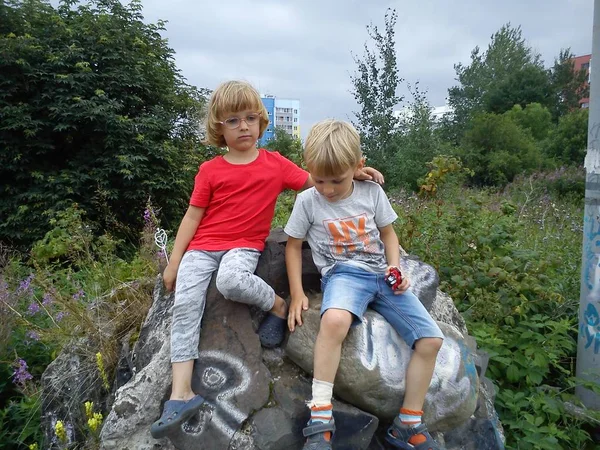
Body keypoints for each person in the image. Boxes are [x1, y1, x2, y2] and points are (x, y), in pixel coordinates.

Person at [150, 81, 383, 439]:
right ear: (219, 128)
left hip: (244, 245)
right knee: (185, 302)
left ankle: (276, 304)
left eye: (249, 118)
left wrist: (353, 173)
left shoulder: (273, 163)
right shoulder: (210, 170)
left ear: (261, 122)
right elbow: (192, 217)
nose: (243, 126)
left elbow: (319, 179)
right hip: (202, 246)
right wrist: (174, 261)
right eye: (232, 120)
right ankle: (182, 393)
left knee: (230, 281)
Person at [285, 119, 445, 450]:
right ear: (308, 169)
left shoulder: (372, 192)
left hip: (383, 275)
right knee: (334, 321)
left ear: (358, 167)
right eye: (319, 179)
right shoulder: (307, 202)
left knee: (431, 340)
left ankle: (408, 422)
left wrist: (396, 267)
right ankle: (320, 417)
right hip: (343, 274)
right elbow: (292, 245)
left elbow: (388, 234)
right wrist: (299, 292)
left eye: (337, 180)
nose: (327, 189)